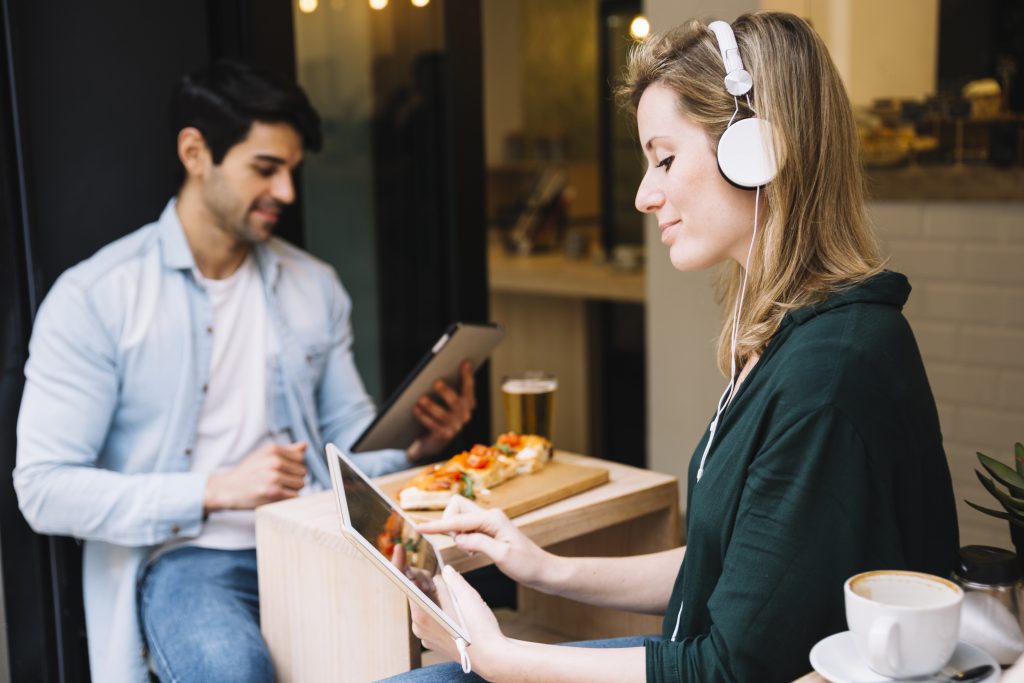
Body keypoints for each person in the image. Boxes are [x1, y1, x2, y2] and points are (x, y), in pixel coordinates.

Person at [384, 11, 958, 683]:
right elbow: (736, 572)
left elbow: (726, 668)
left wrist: (496, 654)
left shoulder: (827, 374)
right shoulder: (791, 333)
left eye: (664, 158)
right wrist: (544, 565)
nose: (644, 194)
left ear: (757, 151)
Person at [14, 60, 477, 683]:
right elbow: (43, 489)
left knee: (456, 657)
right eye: (265, 169)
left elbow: (349, 445)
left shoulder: (315, 287)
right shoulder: (97, 297)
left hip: (320, 539)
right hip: (187, 560)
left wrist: (418, 444)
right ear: (195, 152)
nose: (286, 193)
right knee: (233, 673)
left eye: (291, 171)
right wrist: (214, 490)